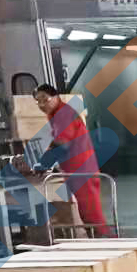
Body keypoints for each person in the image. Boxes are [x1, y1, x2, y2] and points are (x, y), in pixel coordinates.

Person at [33, 83, 111, 235]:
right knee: (87, 213)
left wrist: (44, 163)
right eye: (38, 101)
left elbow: (63, 143)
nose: (42, 104)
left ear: (56, 97)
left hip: (81, 170)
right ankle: (100, 240)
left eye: (45, 99)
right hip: (77, 169)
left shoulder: (63, 113)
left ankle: (106, 242)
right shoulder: (57, 114)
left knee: (91, 214)